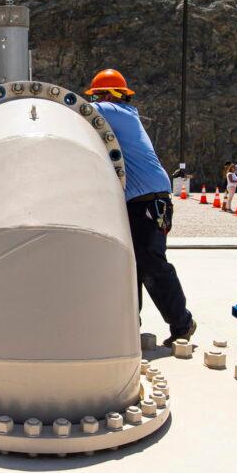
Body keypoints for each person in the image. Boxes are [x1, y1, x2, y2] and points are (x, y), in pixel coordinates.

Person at [87, 68, 196, 346]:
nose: (96, 98)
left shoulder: (114, 111)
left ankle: (183, 323)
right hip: (138, 201)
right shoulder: (119, 116)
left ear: (112, 95)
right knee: (129, 265)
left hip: (149, 200)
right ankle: (128, 326)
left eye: (98, 94)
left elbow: (76, 111)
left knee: (151, 263)